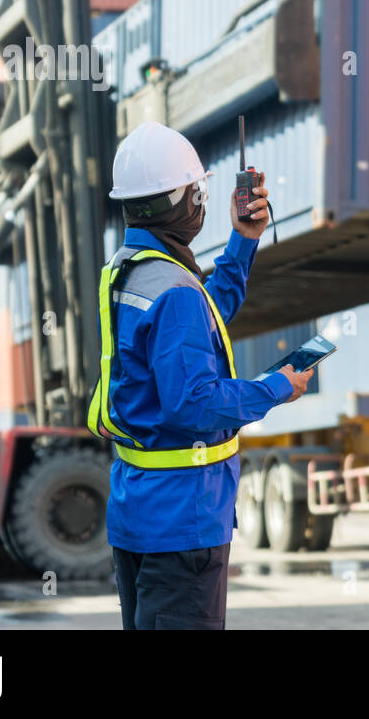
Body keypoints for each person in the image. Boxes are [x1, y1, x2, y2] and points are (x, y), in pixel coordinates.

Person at [89, 120, 311, 630]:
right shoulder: (175, 288)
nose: (203, 204)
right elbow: (193, 402)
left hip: (138, 510)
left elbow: (201, 323)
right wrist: (277, 387)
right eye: (198, 193)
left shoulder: (133, 270)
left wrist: (243, 242)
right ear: (182, 201)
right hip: (183, 523)